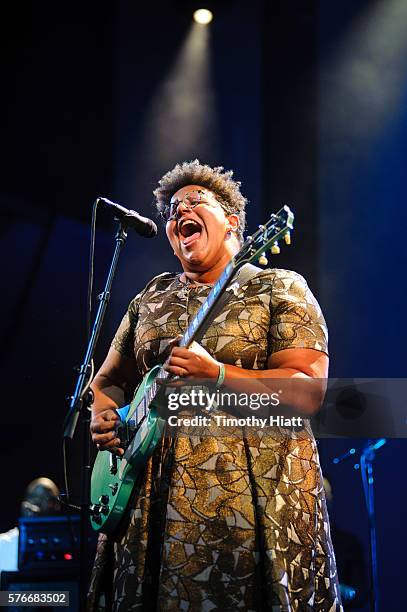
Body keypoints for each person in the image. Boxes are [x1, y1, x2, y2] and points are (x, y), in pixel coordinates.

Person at [88, 160, 342, 611]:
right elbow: (107, 378)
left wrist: (219, 374)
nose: (179, 212)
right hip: (149, 507)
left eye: (194, 203)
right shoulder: (151, 297)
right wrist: (105, 413)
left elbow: (309, 391)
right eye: (172, 210)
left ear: (234, 222)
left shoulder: (277, 288)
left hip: (253, 503)